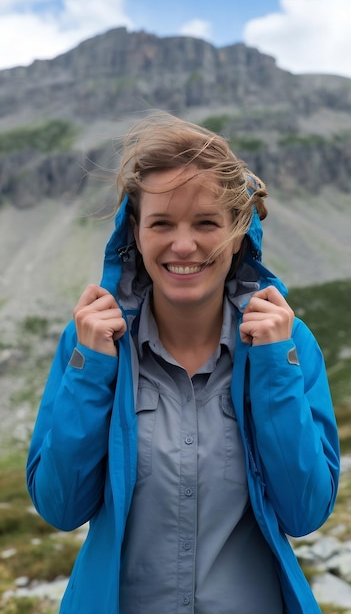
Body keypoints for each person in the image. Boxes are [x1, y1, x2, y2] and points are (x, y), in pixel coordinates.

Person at [26, 111, 340, 614]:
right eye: (162, 223)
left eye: (207, 222)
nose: (184, 244)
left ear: (239, 233)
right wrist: (91, 368)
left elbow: (304, 512)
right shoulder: (89, 342)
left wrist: (278, 364)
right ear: (136, 231)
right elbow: (61, 507)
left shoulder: (289, 341)